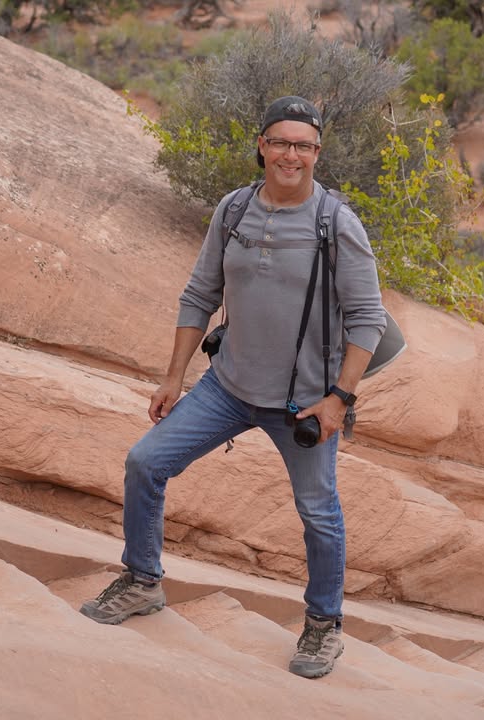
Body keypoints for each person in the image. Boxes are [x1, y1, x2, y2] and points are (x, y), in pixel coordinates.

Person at [80, 96, 387, 679]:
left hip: (303, 404)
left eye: (303, 145)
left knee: (318, 512)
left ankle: (324, 626)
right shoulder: (235, 208)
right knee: (145, 462)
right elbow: (200, 294)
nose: (291, 155)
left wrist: (339, 399)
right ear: (262, 146)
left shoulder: (336, 224)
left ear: (317, 153)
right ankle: (142, 580)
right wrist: (174, 377)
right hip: (227, 386)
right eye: (281, 142)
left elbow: (368, 319)